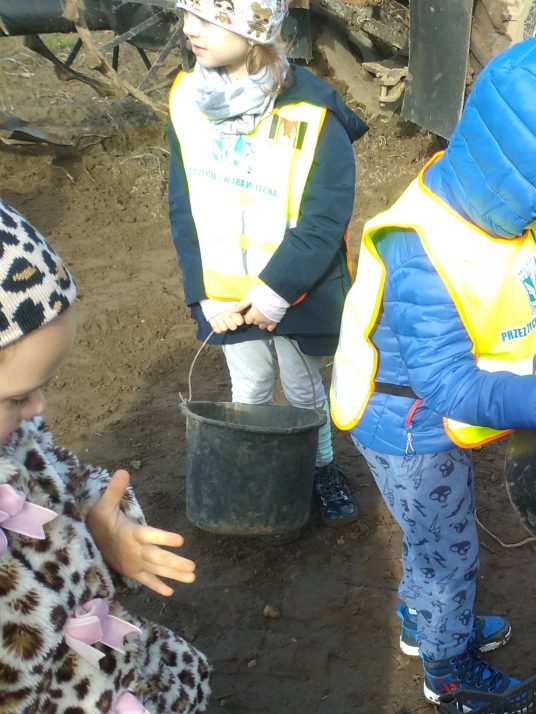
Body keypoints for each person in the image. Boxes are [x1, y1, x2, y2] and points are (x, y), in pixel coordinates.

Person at [329, 38, 536, 704]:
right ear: (521, 187)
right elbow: (445, 384)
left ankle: (421, 622)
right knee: (447, 552)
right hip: (406, 425)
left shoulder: (507, 211)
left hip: (432, 412)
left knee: (431, 536)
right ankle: (448, 669)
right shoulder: (423, 254)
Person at [0, 198, 210, 714]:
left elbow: (61, 473)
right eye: (17, 398)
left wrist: (99, 524)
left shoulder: (15, 442)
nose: (39, 410)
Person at [167, 0, 367, 540]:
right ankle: (258, 473)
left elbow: (325, 217)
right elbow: (183, 205)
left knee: (304, 388)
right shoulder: (186, 100)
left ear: (254, 29)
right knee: (250, 384)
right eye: (187, 13)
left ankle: (321, 466)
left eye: (209, 19)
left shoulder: (312, 112)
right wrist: (201, 292)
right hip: (225, 293)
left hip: (295, 288)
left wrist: (276, 292)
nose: (189, 29)